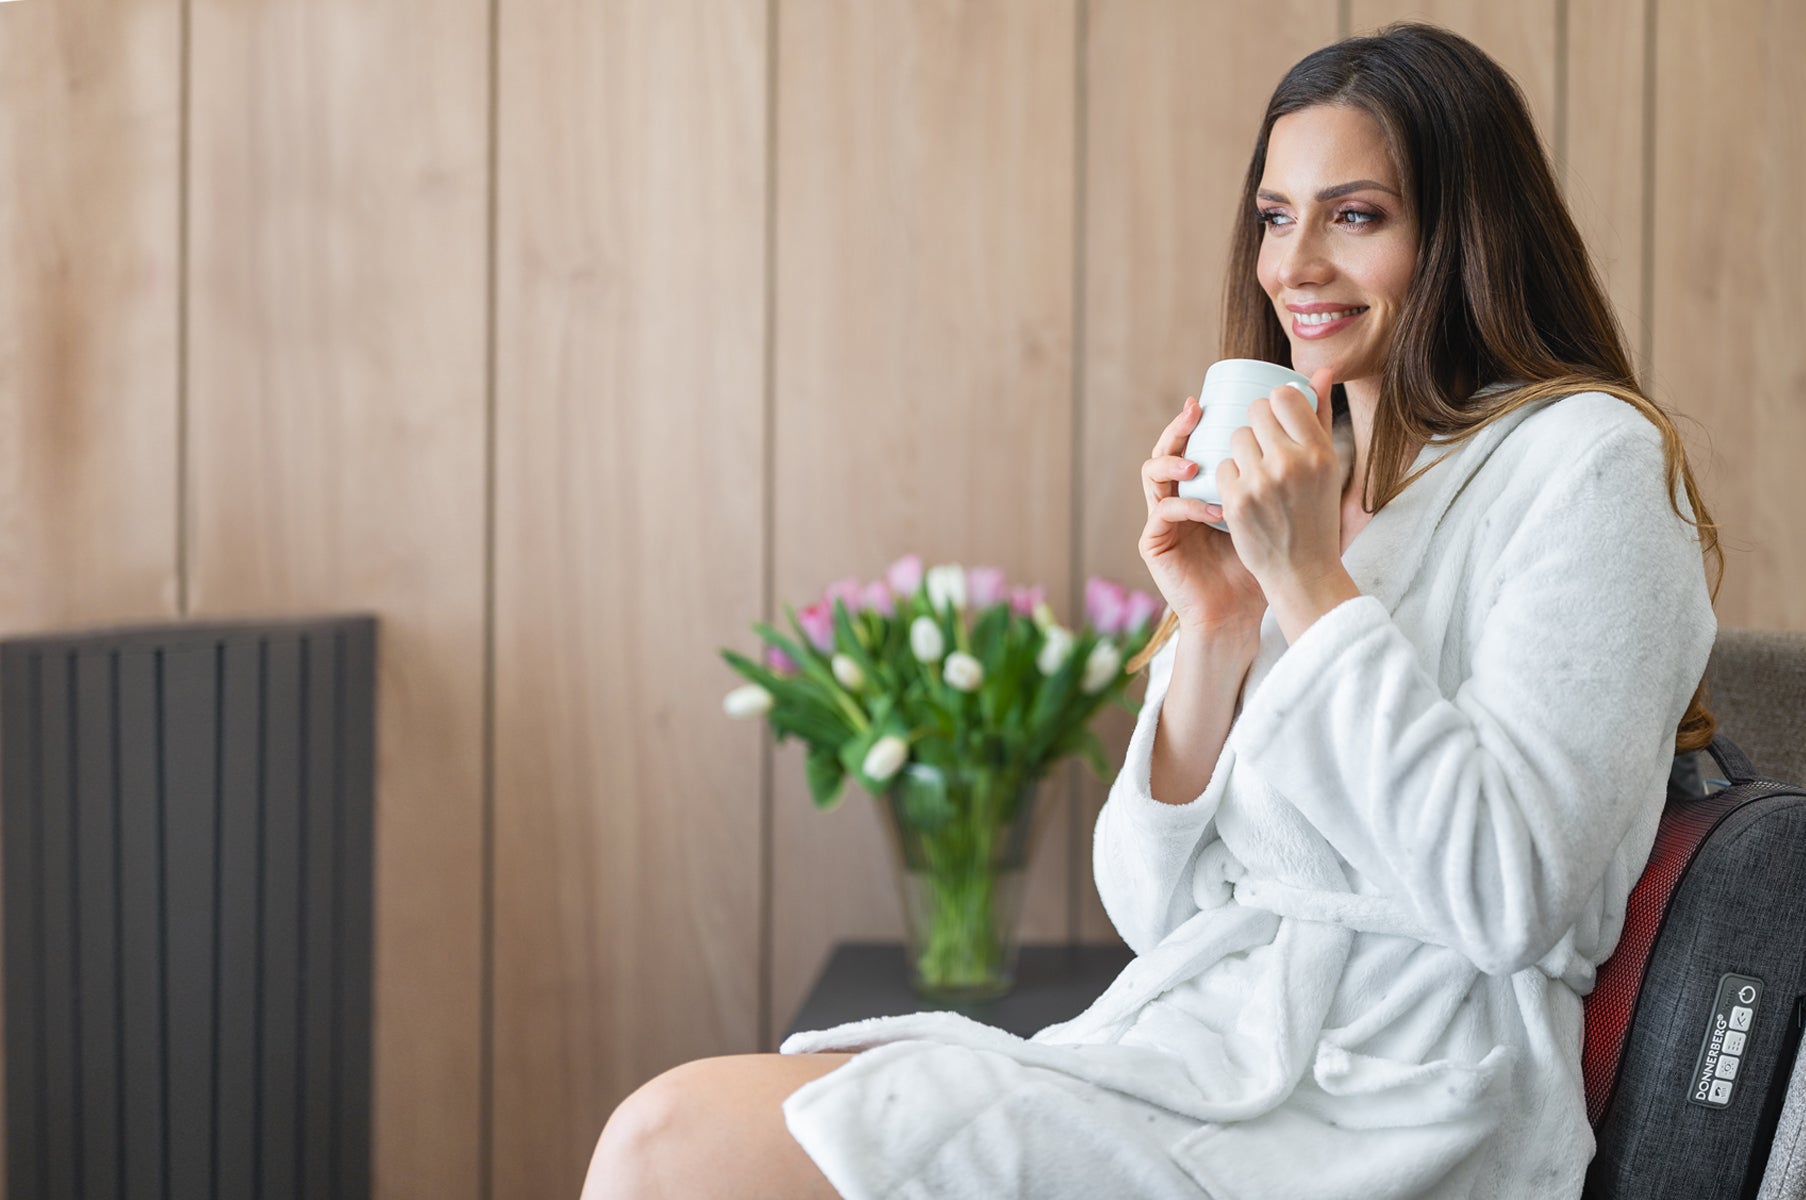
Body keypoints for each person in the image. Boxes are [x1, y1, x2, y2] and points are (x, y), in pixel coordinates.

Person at [580, 20, 1725, 1199]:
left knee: (675, 1145)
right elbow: (1150, 908)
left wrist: (1311, 588)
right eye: (1277, 216)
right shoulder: (1313, 476)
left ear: (1464, 231)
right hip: (1199, 1057)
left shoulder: (1589, 463)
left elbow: (1518, 891)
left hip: (1393, 1107)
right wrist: (1220, 625)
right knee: (668, 1137)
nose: (1294, 266)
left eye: (1357, 215)